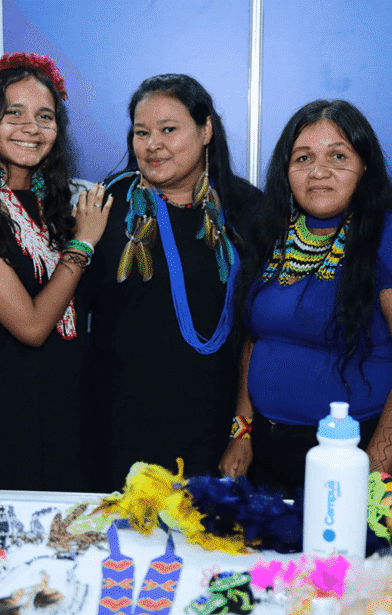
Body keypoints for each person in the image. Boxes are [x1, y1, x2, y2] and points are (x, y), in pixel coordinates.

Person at [218, 100, 392, 497]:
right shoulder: (271, 234)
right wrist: (242, 431)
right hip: (266, 458)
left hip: (355, 453)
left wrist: (370, 481)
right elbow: (256, 340)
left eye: (338, 156)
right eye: (303, 158)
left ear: (365, 166)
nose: (318, 171)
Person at [0, 52, 111, 491]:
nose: (31, 127)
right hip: (7, 416)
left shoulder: (64, 208)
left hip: (71, 409)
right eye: (14, 113)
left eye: (45, 116)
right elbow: (31, 327)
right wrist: (82, 246)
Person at [86, 74, 263, 491]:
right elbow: (63, 312)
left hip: (215, 427)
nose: (153, 145)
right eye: (141, 132)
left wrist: (243, 428)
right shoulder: (106, 206)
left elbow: (260, 331)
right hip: (117, 426)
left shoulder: (248, 209)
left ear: (206, 130)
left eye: (168, 130)